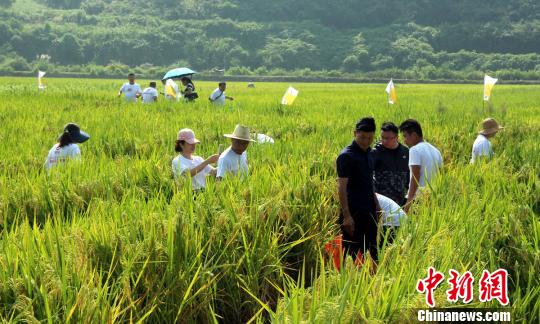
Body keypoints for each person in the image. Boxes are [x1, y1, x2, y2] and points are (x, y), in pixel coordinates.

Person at [336, 117, 381, 262]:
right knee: (351, 255)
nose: (366, 141)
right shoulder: (346, 156)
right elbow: (341, 188)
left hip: (369, 210)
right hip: (353, 212)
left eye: (370, 138)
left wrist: (377, 204)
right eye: (362, 137)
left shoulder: (369, 153)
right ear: (355, 133)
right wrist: (347, 216)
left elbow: (369, 182)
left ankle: (373, 282)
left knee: (373, 250)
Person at [399, 119, 443, 212]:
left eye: (405, 136)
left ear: (414, 135)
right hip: (432, 198)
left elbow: (415, 177)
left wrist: (408, 202)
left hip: (418, 199)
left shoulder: (414, 150)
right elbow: (440, 176)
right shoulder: (436, 151)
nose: (404, 141)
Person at [372, 122, 410, 206]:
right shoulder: (376, 152)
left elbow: (409, 175)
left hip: (401, 199)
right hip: (383, 200)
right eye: (383, 137)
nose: (385, 141)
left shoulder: (405, 151)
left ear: (397, 137)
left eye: (389, 138)